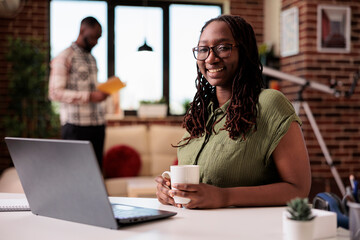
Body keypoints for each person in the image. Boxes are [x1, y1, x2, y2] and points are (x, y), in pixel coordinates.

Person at [155, 15, 311, 209]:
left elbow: (298, 189)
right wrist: (169, 191)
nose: (211, 58)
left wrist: (224, 197)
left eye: (223, 48)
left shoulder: (270, 104)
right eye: (203, 49)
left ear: (243, 52)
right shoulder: (201, 113)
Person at [49, 16, 108, 168]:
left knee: (95, 175)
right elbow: (55, 92)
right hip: (75, 127)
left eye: (99, 38)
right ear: (83, 30)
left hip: (97, 125)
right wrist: (89, 96)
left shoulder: (92, 59)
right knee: (75, 173)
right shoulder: (64, 57)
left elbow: (88, 87)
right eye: (94, 37)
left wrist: (105, 90)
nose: (96, 42)